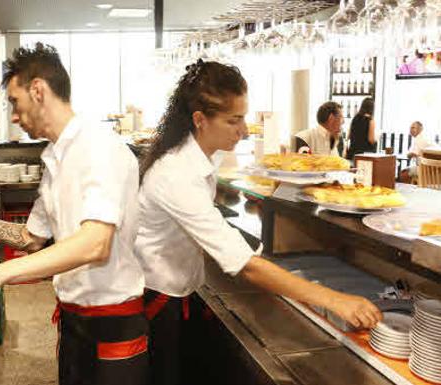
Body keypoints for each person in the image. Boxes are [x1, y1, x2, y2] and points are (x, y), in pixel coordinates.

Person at [136, 59, 382, 385]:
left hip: (179, 290)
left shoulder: (200, 155)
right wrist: (333, 299)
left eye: (243, 118)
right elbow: (246, 266)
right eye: (233, 120)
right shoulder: (176, 173)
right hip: (157, 299)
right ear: (200, 120)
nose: (243, 129)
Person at [0, 44, 148, 385]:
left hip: (113, 323)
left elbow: (95, 245)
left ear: (38, 90)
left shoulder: (99, 148)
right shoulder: (55, 156)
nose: (13, 115)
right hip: (73, 320)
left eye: (15, 102)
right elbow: (30, 239)